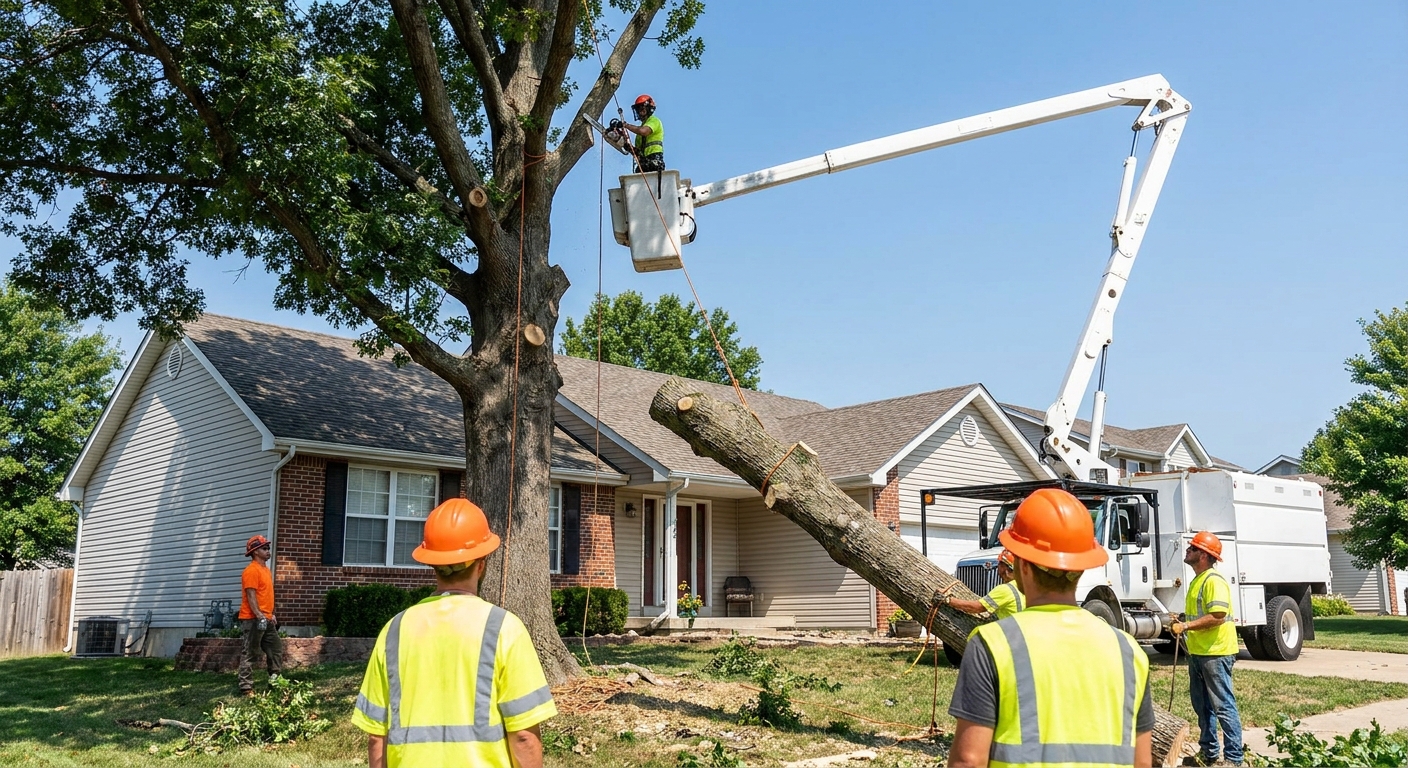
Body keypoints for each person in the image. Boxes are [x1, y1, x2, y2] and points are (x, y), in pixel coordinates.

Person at [948, 488, 1155, 768]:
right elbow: (1142, 762)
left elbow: (968, 761)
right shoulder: (1128, 650)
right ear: (1081, 567)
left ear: (1022, 565)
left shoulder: (992, 644)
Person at [351, 498, 557, 768]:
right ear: (481, 564)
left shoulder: (394, 631)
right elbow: (523, 737)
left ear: (432, 564)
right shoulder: (504, 628)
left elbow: (377, 738)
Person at [1170, 531, 1243, 766]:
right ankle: (1209, 754)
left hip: (1217, 653)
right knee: (1202, 706)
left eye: (1192, 548)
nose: (1187, 550)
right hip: (1200, 652)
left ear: (1203, 555)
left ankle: (1234, 759)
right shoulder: (1198, 580)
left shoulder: (1213, 580)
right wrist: (1181, 620)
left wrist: (1187, 625)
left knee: (1223, 705)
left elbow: (1218, 616)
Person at [237, 534, 282, 696]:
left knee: (275, 649)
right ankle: (246, 687)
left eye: (268, 548)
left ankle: (276, 681)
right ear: (255, 552)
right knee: (250, 653)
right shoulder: (251, 571)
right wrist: (259, 615)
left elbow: (265, 595)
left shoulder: (265, 570)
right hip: (253, 619)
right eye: (264, 548)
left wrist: (271, 614)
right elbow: (251, 595)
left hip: (267, 618)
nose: (268, 551)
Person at [940, 549, 1025, 619]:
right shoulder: (1025, 587)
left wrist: (947, 600)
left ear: (1005, 568)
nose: (997, 566)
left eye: (999, 563)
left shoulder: (1006, 590)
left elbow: (976, 607)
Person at [621, 94, 665, 172]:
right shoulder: (639, 134)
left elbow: (644, 131)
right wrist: (628, 147)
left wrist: (626, 125)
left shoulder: (654, 120)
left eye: (642, 109)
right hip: (643, 163)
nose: (640, 112)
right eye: (638, 110)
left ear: (649, 108)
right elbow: (638, 153)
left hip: (654, 160)